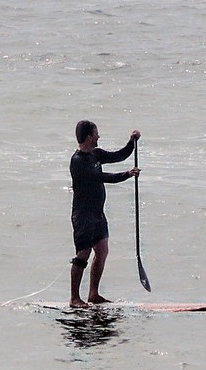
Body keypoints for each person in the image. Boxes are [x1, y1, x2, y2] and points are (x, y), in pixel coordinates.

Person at [69, 120, 141, 308]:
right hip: (83, 215)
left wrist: (131, 143)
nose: (98, 136)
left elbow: (118, 156)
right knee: (83, 254)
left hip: (98, 214)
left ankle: (93, 293)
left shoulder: (96, 154)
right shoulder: (77, 162)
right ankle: (74, 298)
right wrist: (127, 175)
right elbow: (101, 177)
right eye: (96, 134)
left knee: (102, 251)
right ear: (87, 137)